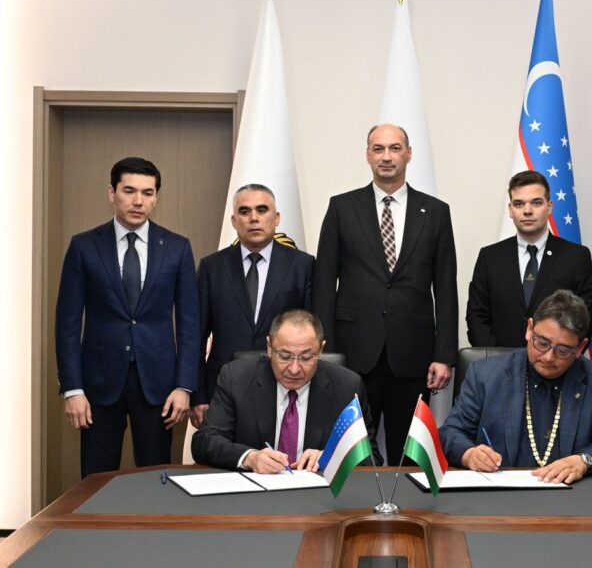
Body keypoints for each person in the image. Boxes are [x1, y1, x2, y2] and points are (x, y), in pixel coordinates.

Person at [313, 124, 458, 466]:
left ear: (409, 154)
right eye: (378, 149)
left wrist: (444, 354)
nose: (386, 156)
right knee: (352, 450)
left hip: (413, 353)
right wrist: (327, 352)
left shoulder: (436, 212)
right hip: (353, 351)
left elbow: (446, 286)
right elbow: (324, 284)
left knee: (407, 454)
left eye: (394, 148)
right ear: (368, 155)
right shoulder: (342, 208)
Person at [55, 157, 200, 477]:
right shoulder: (84, 246)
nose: (138, 201)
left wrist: (184, 386)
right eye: (129, 191)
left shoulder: (177, 248)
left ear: (156, 197)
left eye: (147, 193)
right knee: (95, 477)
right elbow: (67, 324)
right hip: (98, 385)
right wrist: (73, 389)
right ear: (112, 193)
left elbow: (190, 324)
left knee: (156, 477)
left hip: (159, 387)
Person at [440, 289, 592, 484]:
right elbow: (451, 432)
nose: (549, 357)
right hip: (501, 492)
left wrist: (583, 460)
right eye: (542, 343)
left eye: (563, 350)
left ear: (580, 347)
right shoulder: (485, 374)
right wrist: (469, 454)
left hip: (570, 495)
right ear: (530, 329)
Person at [192, 309, 380, 472]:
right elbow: (205, 441)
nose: (294, 369)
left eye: (306, 357)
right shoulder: (236, 378)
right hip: (254, 493)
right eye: (284, 356)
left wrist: (331, 458)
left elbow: (371, 459)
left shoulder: (347, 387)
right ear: (269, 347)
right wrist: (250, 457)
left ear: (320, 350)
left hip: (317, 496)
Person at [190, 184, 315, 428]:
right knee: (222, 450)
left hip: (285, 387)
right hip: (221, 389)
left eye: (262, 210)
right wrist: (198, 394)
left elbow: (311, 332)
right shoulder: (211, 267)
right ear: (234, 221)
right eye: (245, 211)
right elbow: (196, 336)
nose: (254, 218)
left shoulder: (303, 265)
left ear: (276, 218)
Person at [466, 170, 592, 347]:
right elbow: (476, 317)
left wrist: (556, 356)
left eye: (536, 203)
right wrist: (496, 359)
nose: (527, 211)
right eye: (519, 204)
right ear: (510, 210)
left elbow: (586, 319)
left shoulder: (576, 257)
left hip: (556, 360)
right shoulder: (489, 257)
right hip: (500, 361)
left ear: (549, 207)